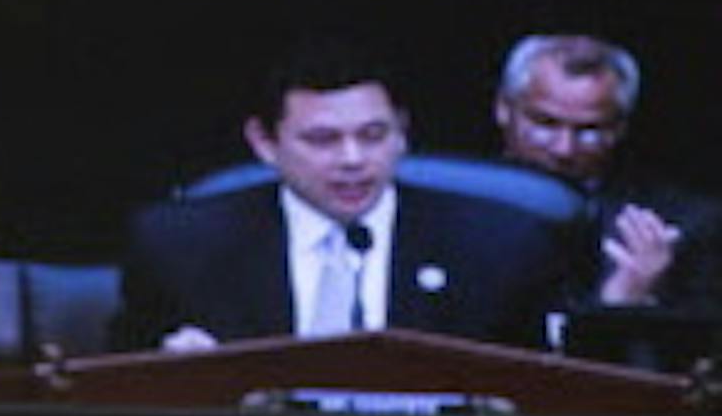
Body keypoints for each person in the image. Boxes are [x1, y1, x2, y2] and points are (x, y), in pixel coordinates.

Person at [112, 41, 567, 353]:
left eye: (373, 135)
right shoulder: (178, 245)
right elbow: (122, 383)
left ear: (402, 133)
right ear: (265, 143)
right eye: (323, 140)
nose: (353, 160)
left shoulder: (499, 244)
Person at [494, 33, 722, 311]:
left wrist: (625, 305)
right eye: (545, 123)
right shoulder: (451, 203)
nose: (564, 149)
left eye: (589, 130)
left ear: (620, 128)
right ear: (504, 109)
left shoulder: (684, 226)